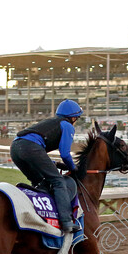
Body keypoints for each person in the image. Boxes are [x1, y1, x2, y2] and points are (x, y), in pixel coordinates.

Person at [10, 100, 82, 233]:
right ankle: (66, 222)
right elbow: (65, 154)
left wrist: (56, 164)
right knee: (58, 181)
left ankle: (40, 214)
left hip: (15, 148)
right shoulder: (67, 126)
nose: (76, 121)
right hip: (30, 148)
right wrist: (73, 167)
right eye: (77, 118)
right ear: (73, 117)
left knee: (39, 181)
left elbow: (38, 155)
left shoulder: (51, 122)